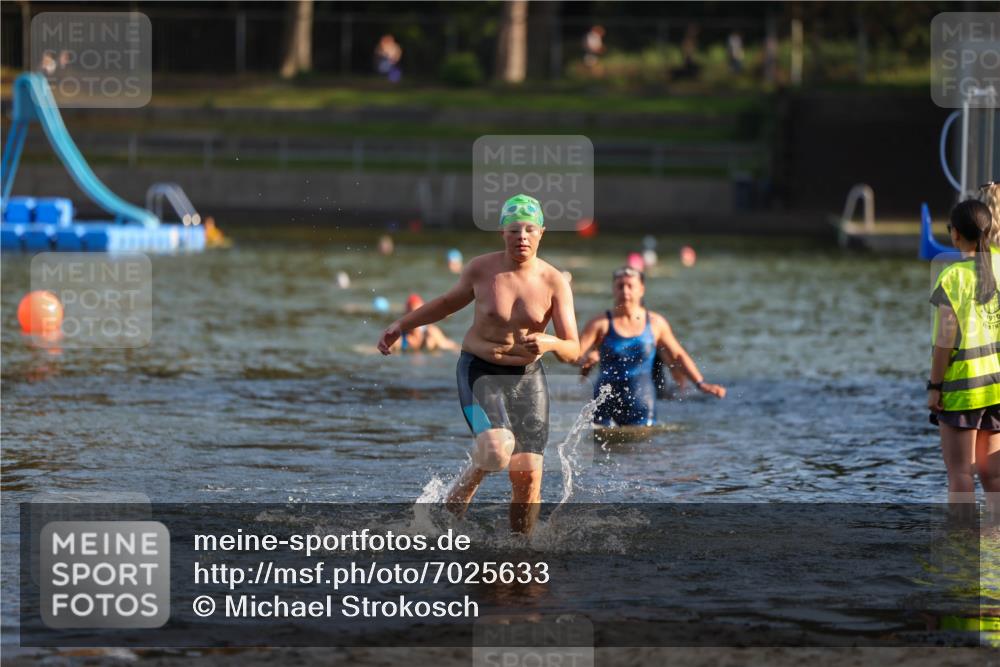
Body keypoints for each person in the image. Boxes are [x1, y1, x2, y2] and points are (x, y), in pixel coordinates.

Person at [378, 194, 579, 533]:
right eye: (514, 230)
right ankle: (462, 494)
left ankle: (521, 550)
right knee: (497, 451)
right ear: (503, 233)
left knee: (528, 476)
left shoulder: (554, 282)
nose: (522, 237)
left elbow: (574, 349)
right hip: (480, 371)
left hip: (527, 377)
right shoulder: (481, 269)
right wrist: (402, 325)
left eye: (530, 229)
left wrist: (552, 343)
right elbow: (446, 304)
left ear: (541, 232)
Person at [577, 266, 725, 428]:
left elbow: (677, 355)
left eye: (630, 286)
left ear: (641, 289)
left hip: (642, 403)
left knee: (645, 442)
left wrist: (700, 383)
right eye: (620, 286)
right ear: (613, 289)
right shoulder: (600, 323)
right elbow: (575, 355)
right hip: (604, 403)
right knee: (600, 439)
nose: (625, 291)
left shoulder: (656, 323)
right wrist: (586, 359)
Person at [928, 200, 1000, 504]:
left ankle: (962, 533)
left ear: (955, 234)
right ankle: (995, 532)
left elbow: (945, 341)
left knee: (960, 474)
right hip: (996, 389)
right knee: (994, 477)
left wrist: (934, 387)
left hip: (962, 390)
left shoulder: (953, 277)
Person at [390, 294, 459, 353]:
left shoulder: (430, 332)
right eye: (412, 314)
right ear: (405, 315)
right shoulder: (400, 338)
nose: (415, 318)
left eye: (418, 314)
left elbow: (452, 347)